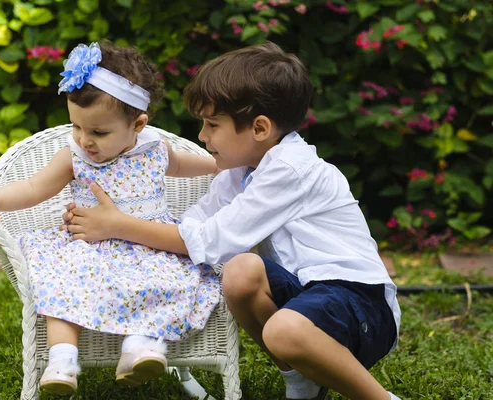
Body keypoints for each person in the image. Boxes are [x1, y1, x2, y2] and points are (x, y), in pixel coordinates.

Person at [60, 42, 403, 400]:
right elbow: (193, 226)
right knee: (241, 273)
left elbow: (210, 240)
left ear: (259, 128)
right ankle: (304, 384)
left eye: (212, 124)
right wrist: (129, 227)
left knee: (281, 329)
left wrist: (118, 225)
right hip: (307, 295)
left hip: (360, 303)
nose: (202, 136)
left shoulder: (289, 168)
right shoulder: (238, 172)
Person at [0, 41, 221, 395]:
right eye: (76, 127)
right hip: (89, 246)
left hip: (150, 242)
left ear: (137, 124)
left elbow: (197, 165)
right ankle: (62, 361)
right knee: (63, 279)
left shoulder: (157, 151)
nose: (85, 140)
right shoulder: (74, 156)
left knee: (171, 277)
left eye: (98, 132)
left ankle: (139, 347)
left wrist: (226, 164)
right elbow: (34, 188)